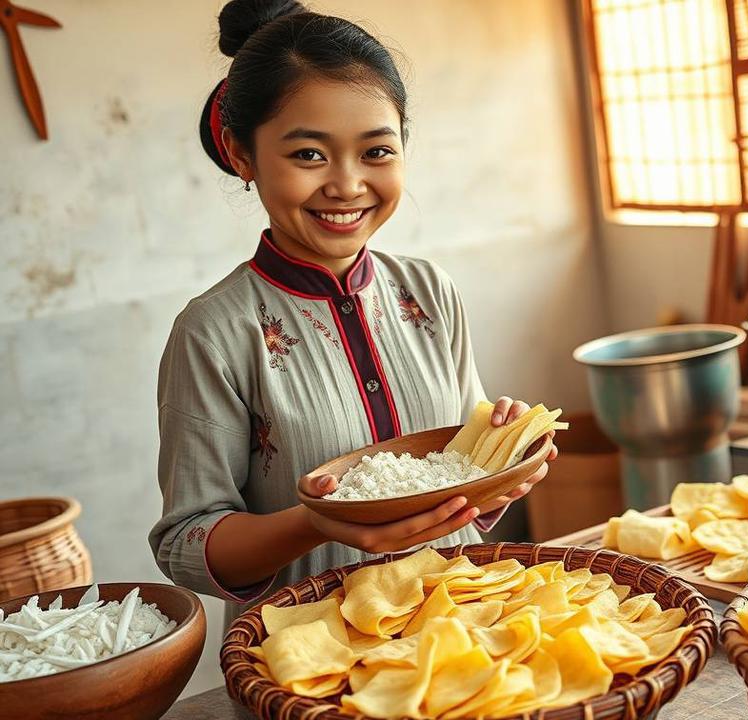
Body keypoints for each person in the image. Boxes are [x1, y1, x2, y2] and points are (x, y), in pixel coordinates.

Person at [149, 0, 554, 624]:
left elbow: (462, 470)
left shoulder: (429, 291)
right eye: (309, 154)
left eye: (376, 152)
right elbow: (187, 544)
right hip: (310, 660)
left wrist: (503, 461)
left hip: (466, 629)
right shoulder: (214, 332)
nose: (347, 184)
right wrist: (316, 522)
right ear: (241, 154)